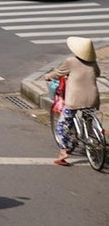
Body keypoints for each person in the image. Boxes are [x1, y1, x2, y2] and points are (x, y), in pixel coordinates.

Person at [44, 36, 102, 166]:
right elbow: (97, 74)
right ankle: (95, 137)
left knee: (62, 125)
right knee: (89, 119)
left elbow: (58, 73)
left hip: (74, 99)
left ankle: (64, 151)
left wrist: (47, 77)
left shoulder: (71, 61)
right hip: (93, 98)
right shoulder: (93, 62)